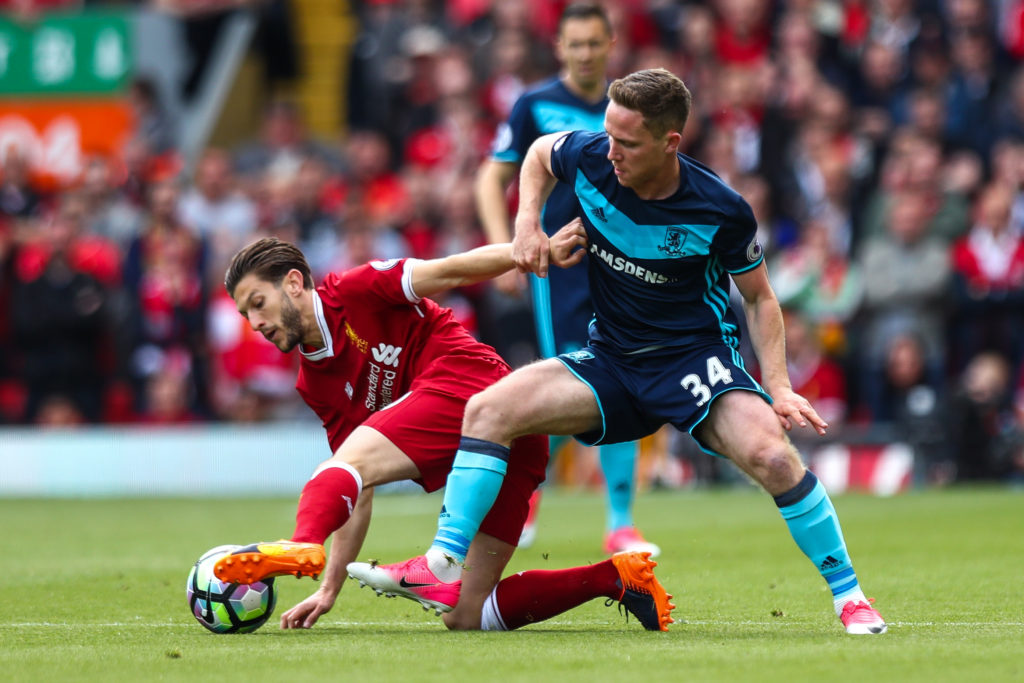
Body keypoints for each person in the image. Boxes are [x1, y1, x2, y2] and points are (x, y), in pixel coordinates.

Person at [355, 68, 888, 635]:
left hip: (692, 362)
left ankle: (850, 597)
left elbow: (759, 299)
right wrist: (527, 226)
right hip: (610, 357)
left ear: (669, 142)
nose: (610, 152)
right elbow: (537, 154)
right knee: (488, 410)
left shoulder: (720, 208)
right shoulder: (590, 157)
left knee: (775, 458)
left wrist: (778, 385)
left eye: (627, 142)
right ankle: (440, 563)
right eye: (608, 135)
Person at [211, 236, 674, 632]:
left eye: (259, 304)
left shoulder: (352, 290)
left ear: (293, 283)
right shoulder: (314, 383)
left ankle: (301, 541)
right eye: (245, 315)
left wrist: (534, 250)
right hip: (507, 444)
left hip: (472, 386)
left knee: (340, 468)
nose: (256, 324)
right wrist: (329, 589)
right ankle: (617, 578)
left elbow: (450, 270)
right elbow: (356, 489)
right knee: (468, 612)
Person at [475, 2, 658, 556]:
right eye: (574, 44)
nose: (584, 53)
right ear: (559, 47)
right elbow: (492, 178)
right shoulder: (535, 105)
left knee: (623, 378)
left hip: (624, 263)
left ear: (610, 45)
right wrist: (511, 247)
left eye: (593, 43)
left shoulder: (628, 106)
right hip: (559, 266)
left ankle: (620, 521)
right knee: (560, 379)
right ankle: (528, 498)